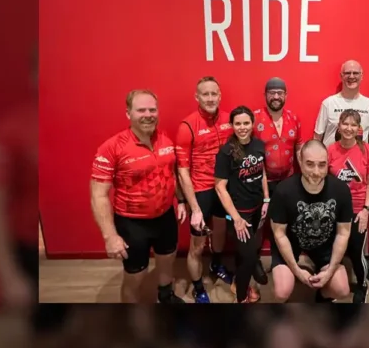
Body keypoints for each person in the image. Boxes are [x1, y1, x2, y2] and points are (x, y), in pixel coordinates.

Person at [0, 46, 71, 348]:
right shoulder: (10, 131)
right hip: (34, 253)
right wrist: (7, 275)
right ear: (33, 75)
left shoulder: (89, 121)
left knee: (88, 338)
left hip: (84, 250)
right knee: (44, 344)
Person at [90, 89, 186, 303]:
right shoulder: (112, 147)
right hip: (133, 225)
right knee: (136, 276)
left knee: (167, 260)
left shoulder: (165, 140)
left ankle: (166, 295)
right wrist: (110, 236)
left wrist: (180, 200)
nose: (148, 115)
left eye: (152, 110)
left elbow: (172, 174)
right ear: (128, 113)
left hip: (165, 217)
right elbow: (98, 195)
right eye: (141, 110)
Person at [313, 59, 369, 283]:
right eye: (347, 73)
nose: (351, 76)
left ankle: (363, 259)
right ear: (341, 76)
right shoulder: (328, 103)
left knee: (360, 224)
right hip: (332, 173)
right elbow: (317, 137)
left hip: (360, 171)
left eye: (355, 73)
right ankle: (331, 264)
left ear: (362, 75)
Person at [269, 139, 353, 302]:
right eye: (310, 164)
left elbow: (343, 233)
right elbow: (279, 234)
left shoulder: (341, 190)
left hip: (324, 242)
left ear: (328, 163)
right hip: (291, 241)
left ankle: (323, 296)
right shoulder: (283, 191)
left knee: (342, 290)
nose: (316, 171)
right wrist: (297, 271)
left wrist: (329, 272)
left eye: (321, 165)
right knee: (282, 292)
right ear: (300, 162)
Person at [175, 76, 235, 303]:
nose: (210, 98)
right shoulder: (187, 126)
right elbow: (182, 171)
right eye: (205, 94)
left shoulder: (230, 120)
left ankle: (216, 264)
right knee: (197, 245)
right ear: (197, 97)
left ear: (220, 96)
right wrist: (194, 208)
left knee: (220, 231)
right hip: (200, 190)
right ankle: (199, 287)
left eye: (214, 94)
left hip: (223, 189)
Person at [214, 106, 270, 303]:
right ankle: (241, 298)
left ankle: (238, 282)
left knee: (247, 251)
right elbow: (220, 187)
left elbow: (262, 173)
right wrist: (236, 219)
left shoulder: (259, 145)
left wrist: (266, 199)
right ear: (232, 125)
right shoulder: (226, 152)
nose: (242, 127)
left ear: (252, 124)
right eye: (238, 123)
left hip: (257, 208)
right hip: (239, 214)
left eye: (246, 123)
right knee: (248, 258)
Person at [252, 76, 304, 282]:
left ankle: (281, 260)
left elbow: (299, 147)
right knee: (259, 222)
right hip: (260, 181)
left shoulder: (294, 118)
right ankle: (254, 260)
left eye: (279, 93)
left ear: (286, 95)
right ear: (265, 95)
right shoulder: (255, 119)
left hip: (288, 180)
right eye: (272, 93)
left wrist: (305, 173)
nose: (276, 96)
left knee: (284, 222)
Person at [327, 110, 369, 303]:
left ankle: (362, 286)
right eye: (345, 124)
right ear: (339, 126)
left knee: (357, 252)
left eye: (353, 125)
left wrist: (366, 210)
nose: (349, 128)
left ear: (359, 128)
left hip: (358, 210)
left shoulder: (368, 150)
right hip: (336, 210)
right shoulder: (330, 150)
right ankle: (332, 285)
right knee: (334, 251)